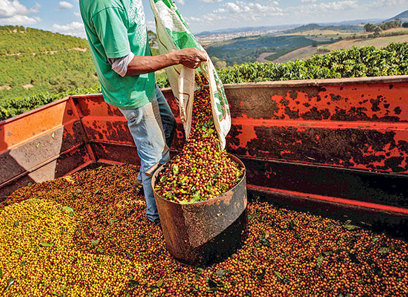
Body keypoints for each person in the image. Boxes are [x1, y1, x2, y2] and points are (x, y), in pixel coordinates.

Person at [79, 0, 207, 223]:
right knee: (157, 157)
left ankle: (144, 181)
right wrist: (177, 57)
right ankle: (156, 217)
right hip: (130, 89)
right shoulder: (105, 5)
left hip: (144, 81)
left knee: (167, 124)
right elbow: (123, 65)